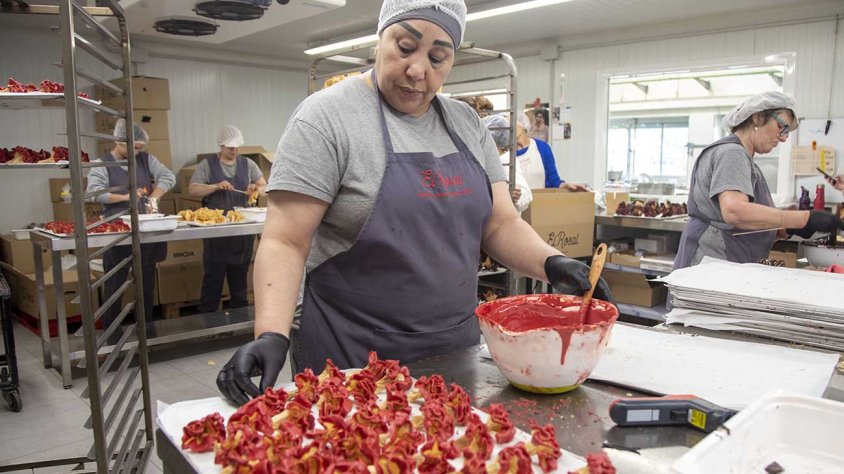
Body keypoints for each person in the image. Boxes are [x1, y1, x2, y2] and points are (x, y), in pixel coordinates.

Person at [216, 0, 613, 406]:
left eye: (438, 58)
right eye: (405, 47)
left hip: (454, 348)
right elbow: (286, 240)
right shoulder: (326, 119)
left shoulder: (465, 124)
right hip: (353, 354)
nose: (418, 70)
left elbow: (499, 224)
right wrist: (271, 334)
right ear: (380, 38)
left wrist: (553, 263)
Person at [674, 92, 843, 270]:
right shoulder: (732, 153)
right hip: (710, 268)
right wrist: (803, 218)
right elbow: (735, 211)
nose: (784, 137)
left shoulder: (747, 162)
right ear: (757, 118)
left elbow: (749, 225)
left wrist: (788, 229)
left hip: (727, 265)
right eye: (781, 126)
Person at [86, 119, 175, 342]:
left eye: (140, 148)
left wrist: (153, 197)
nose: (138, 152)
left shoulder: (146, 159)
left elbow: (168, 176)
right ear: (120, 141)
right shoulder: (102, 164)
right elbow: (95, 193)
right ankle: (110, 335)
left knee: (145, 284)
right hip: (117, 231)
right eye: (134, 147)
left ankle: (146, 332)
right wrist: (125, 197)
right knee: (114, 284)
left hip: (144, 230)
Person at [189, 125, 267, 313]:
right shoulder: (207, 165)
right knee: (213, 280)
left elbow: (266, 187)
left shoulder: (248, 165)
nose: (234, 151)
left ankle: (238, 325)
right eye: (230, 147)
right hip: (216, 234)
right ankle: (208, 325)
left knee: (239, 282)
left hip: (241, 235)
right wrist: (214, 186)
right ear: (221, 145)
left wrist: (255, 188)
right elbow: (193, 189)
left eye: (236, 147)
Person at [515, 112, 587, 192]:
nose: (508, 128)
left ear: (522, 125)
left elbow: (553, 181)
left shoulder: (542, 148)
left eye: (511, 123)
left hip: (541, 202)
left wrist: (565, 186)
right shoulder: (504, 153)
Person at [482, 114, 532, 213]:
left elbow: (526, 195)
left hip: (503, 219)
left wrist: (516, 196)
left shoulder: (506, 160)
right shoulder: (481, 160)